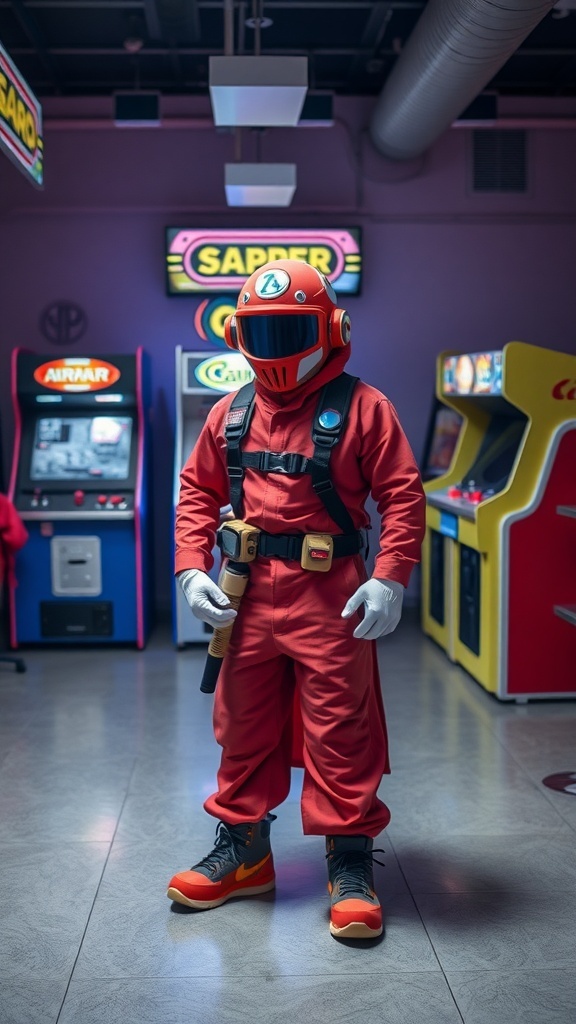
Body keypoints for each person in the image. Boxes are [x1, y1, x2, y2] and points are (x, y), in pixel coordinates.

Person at [168, 259, 426, 940]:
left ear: (332, 330)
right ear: (239, 335)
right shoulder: (231, 411)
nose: (278, 349)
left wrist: (390, 575)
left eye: (292, 331)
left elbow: (401, 494)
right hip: (245, 594)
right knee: (241, 726)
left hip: (332, 595)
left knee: (340, 729)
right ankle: (245, 852)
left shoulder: (366, 408)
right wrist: (191, 568)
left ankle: (349, 863)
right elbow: (197, 492)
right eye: (264, 332)